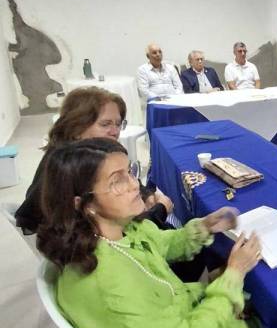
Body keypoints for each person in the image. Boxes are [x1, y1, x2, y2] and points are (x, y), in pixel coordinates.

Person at [36, 139, 268, 328]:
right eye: (117, 181)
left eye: (130, 172)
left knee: (251, 294)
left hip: (174, 327)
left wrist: (204, 227)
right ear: (83, 205)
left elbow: (162, 243)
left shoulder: (115, 229)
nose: (135, 185)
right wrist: (232, 277)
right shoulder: (107, 284)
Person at [15, 87, 173, 234]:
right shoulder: (70, 171)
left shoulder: (82, 156)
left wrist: (146, 196)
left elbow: (124, 181)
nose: (115, 132)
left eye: (118, 124)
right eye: (105, 124)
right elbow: (113, 234)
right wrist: (160, 210)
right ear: (76, 127)